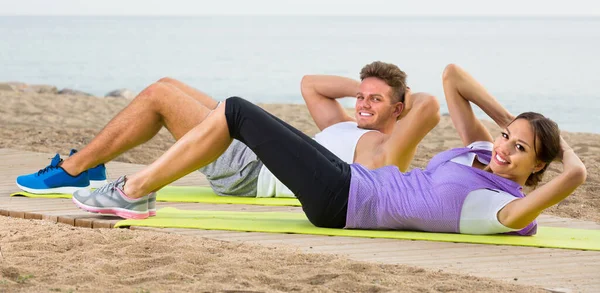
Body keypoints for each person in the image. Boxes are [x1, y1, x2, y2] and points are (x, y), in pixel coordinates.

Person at [72, 63, 586, 236]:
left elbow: (576, 175)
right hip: (348, 190)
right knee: (233, 112)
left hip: (348, 199)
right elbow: (452, 77)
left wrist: (553, 144)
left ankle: (135, 191)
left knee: (234, 110)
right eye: (506, 141)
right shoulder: (480, 155)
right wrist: (510, 123)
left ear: (539, 165)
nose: (504, 150)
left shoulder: (505, 209)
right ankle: (134, 190)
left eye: (520, 151)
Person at [16, 61, 440, 206]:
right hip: (250, 148)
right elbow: (311, 83)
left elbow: (427, 107)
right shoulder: (343, 125)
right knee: (169, 83)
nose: (362, 105)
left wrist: (398, 96)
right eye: (361, 98)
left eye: (375, 102)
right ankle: (89, 165)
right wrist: (366, 90)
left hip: (249, 173)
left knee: (160, 95)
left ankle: (74, 170)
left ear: (399, 110)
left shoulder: (385, 147)